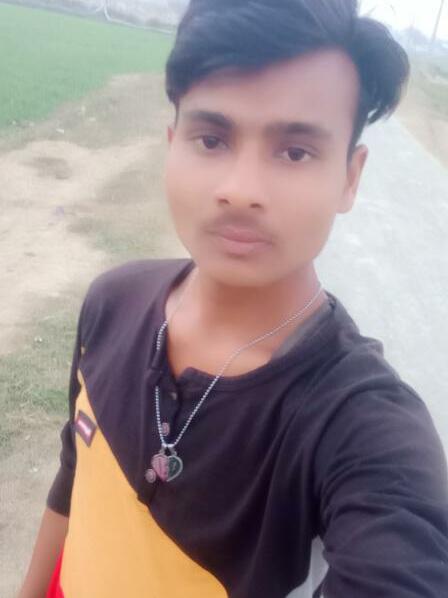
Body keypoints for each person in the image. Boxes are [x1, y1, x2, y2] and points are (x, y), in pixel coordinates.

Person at [18, 1, 448, 597]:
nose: (241, 191)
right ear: (172, 143)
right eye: (212, 139)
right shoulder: (111, 301)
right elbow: (75, 473)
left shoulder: (362, 425)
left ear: (350, 177)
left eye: (294, 152)